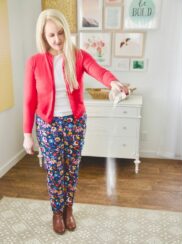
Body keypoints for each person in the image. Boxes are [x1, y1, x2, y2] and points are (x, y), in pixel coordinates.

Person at [22, 9, 128, 234]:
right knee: (54, 171)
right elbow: (29, 100)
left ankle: (69, 209)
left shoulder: (78, 56)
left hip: (74, 124)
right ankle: (56, 212)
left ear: (66, 31)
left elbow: (99, 71)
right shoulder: (35, 62)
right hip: (47, 125)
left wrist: (113, 83)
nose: (57, 39)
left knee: (71, 169)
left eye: (60, 33)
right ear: (43, 36)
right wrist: (26, 135)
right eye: (51, 35)